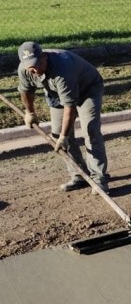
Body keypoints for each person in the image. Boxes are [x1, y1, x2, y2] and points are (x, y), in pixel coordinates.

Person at [17, 42, 110, 193]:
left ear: (44, 57)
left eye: (37, 64)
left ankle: (99, 179)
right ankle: (79, 175)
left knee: (90, 131)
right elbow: (26, 91)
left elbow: (70, 107)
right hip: (56, 93)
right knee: (56, 134)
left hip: (88, 89)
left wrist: (64, 136)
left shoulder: (63, 67)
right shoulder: (25, 69)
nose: (35, 69)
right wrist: (30, 113)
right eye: (30, 66)